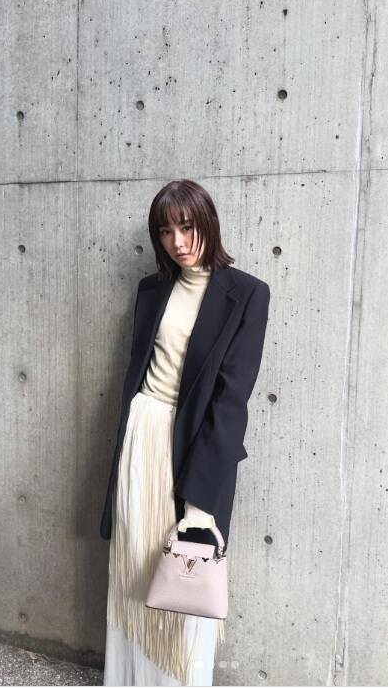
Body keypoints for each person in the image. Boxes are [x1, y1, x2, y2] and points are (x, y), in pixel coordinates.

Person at [99, 179, 270, 686]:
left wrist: (200, 500)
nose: (178, 241)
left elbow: (231, 401)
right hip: (142, 436)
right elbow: (138, 374)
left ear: (208, 223)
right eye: (166, 231)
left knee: (185, 569)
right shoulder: (151, 290)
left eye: (188, 226)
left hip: (196, 444)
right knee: (134, 565)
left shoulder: (247, 294)